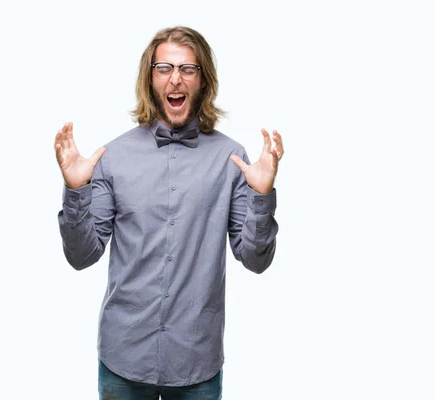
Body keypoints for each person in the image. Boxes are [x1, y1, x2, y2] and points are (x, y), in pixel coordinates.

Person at [55, 26, 283, 400]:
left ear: (203, 80)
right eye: (164, 68)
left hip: (197, 362)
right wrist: (77, 190)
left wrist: (262, 194)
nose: (175, 78)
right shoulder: (114, 158)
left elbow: (256, 260)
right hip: (123, 356)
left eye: (187, 69)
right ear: (150, 79)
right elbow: (81, 257)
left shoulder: (234, 161)